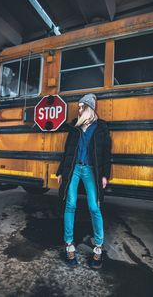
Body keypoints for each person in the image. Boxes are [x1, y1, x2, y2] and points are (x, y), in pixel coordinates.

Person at [56, 93, 111, 269]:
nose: (78, 110)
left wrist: (104, 175)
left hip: (91, 171)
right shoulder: (75, 127)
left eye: (81, 107)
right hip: (74, 169)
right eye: (78, 107)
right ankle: (69, 244)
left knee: (94, 207)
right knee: (70, 204)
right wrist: (60, 172)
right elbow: (68, 151)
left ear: (90, 108)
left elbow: (106, 154)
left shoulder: (101, 128)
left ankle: (98, 247)